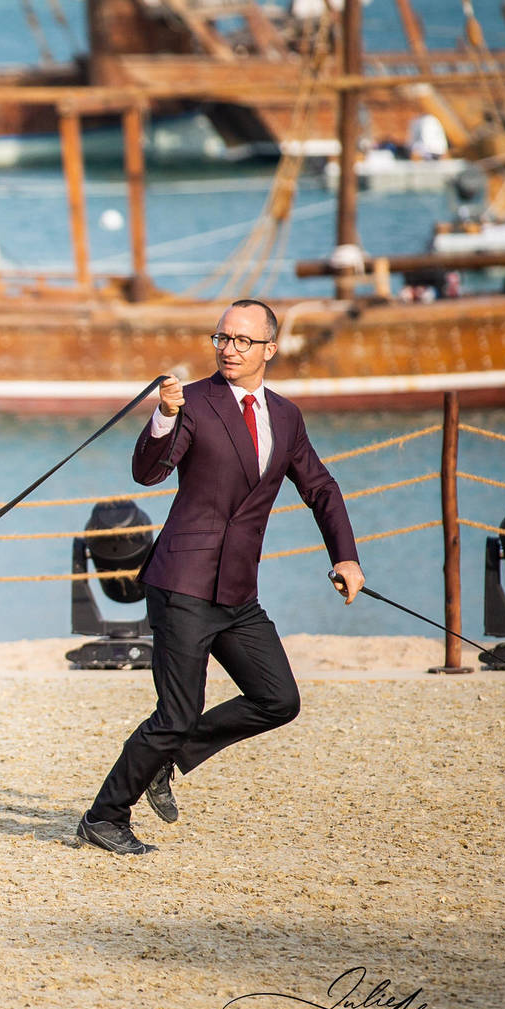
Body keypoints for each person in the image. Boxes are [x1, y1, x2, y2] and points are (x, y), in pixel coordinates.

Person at [77, 299, 365, 855]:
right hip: (181, 581)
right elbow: (147, 473)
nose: (229, 349)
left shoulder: (286, 416)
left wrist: (345, 556)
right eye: (222, 339)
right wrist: (163, 415)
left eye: (242, 341)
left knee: (278, 699)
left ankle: (170, 757)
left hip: (237, 590)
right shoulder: (196, 404)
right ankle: (104, 816)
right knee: (175, 713)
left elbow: (321, 488)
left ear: (269, 350)